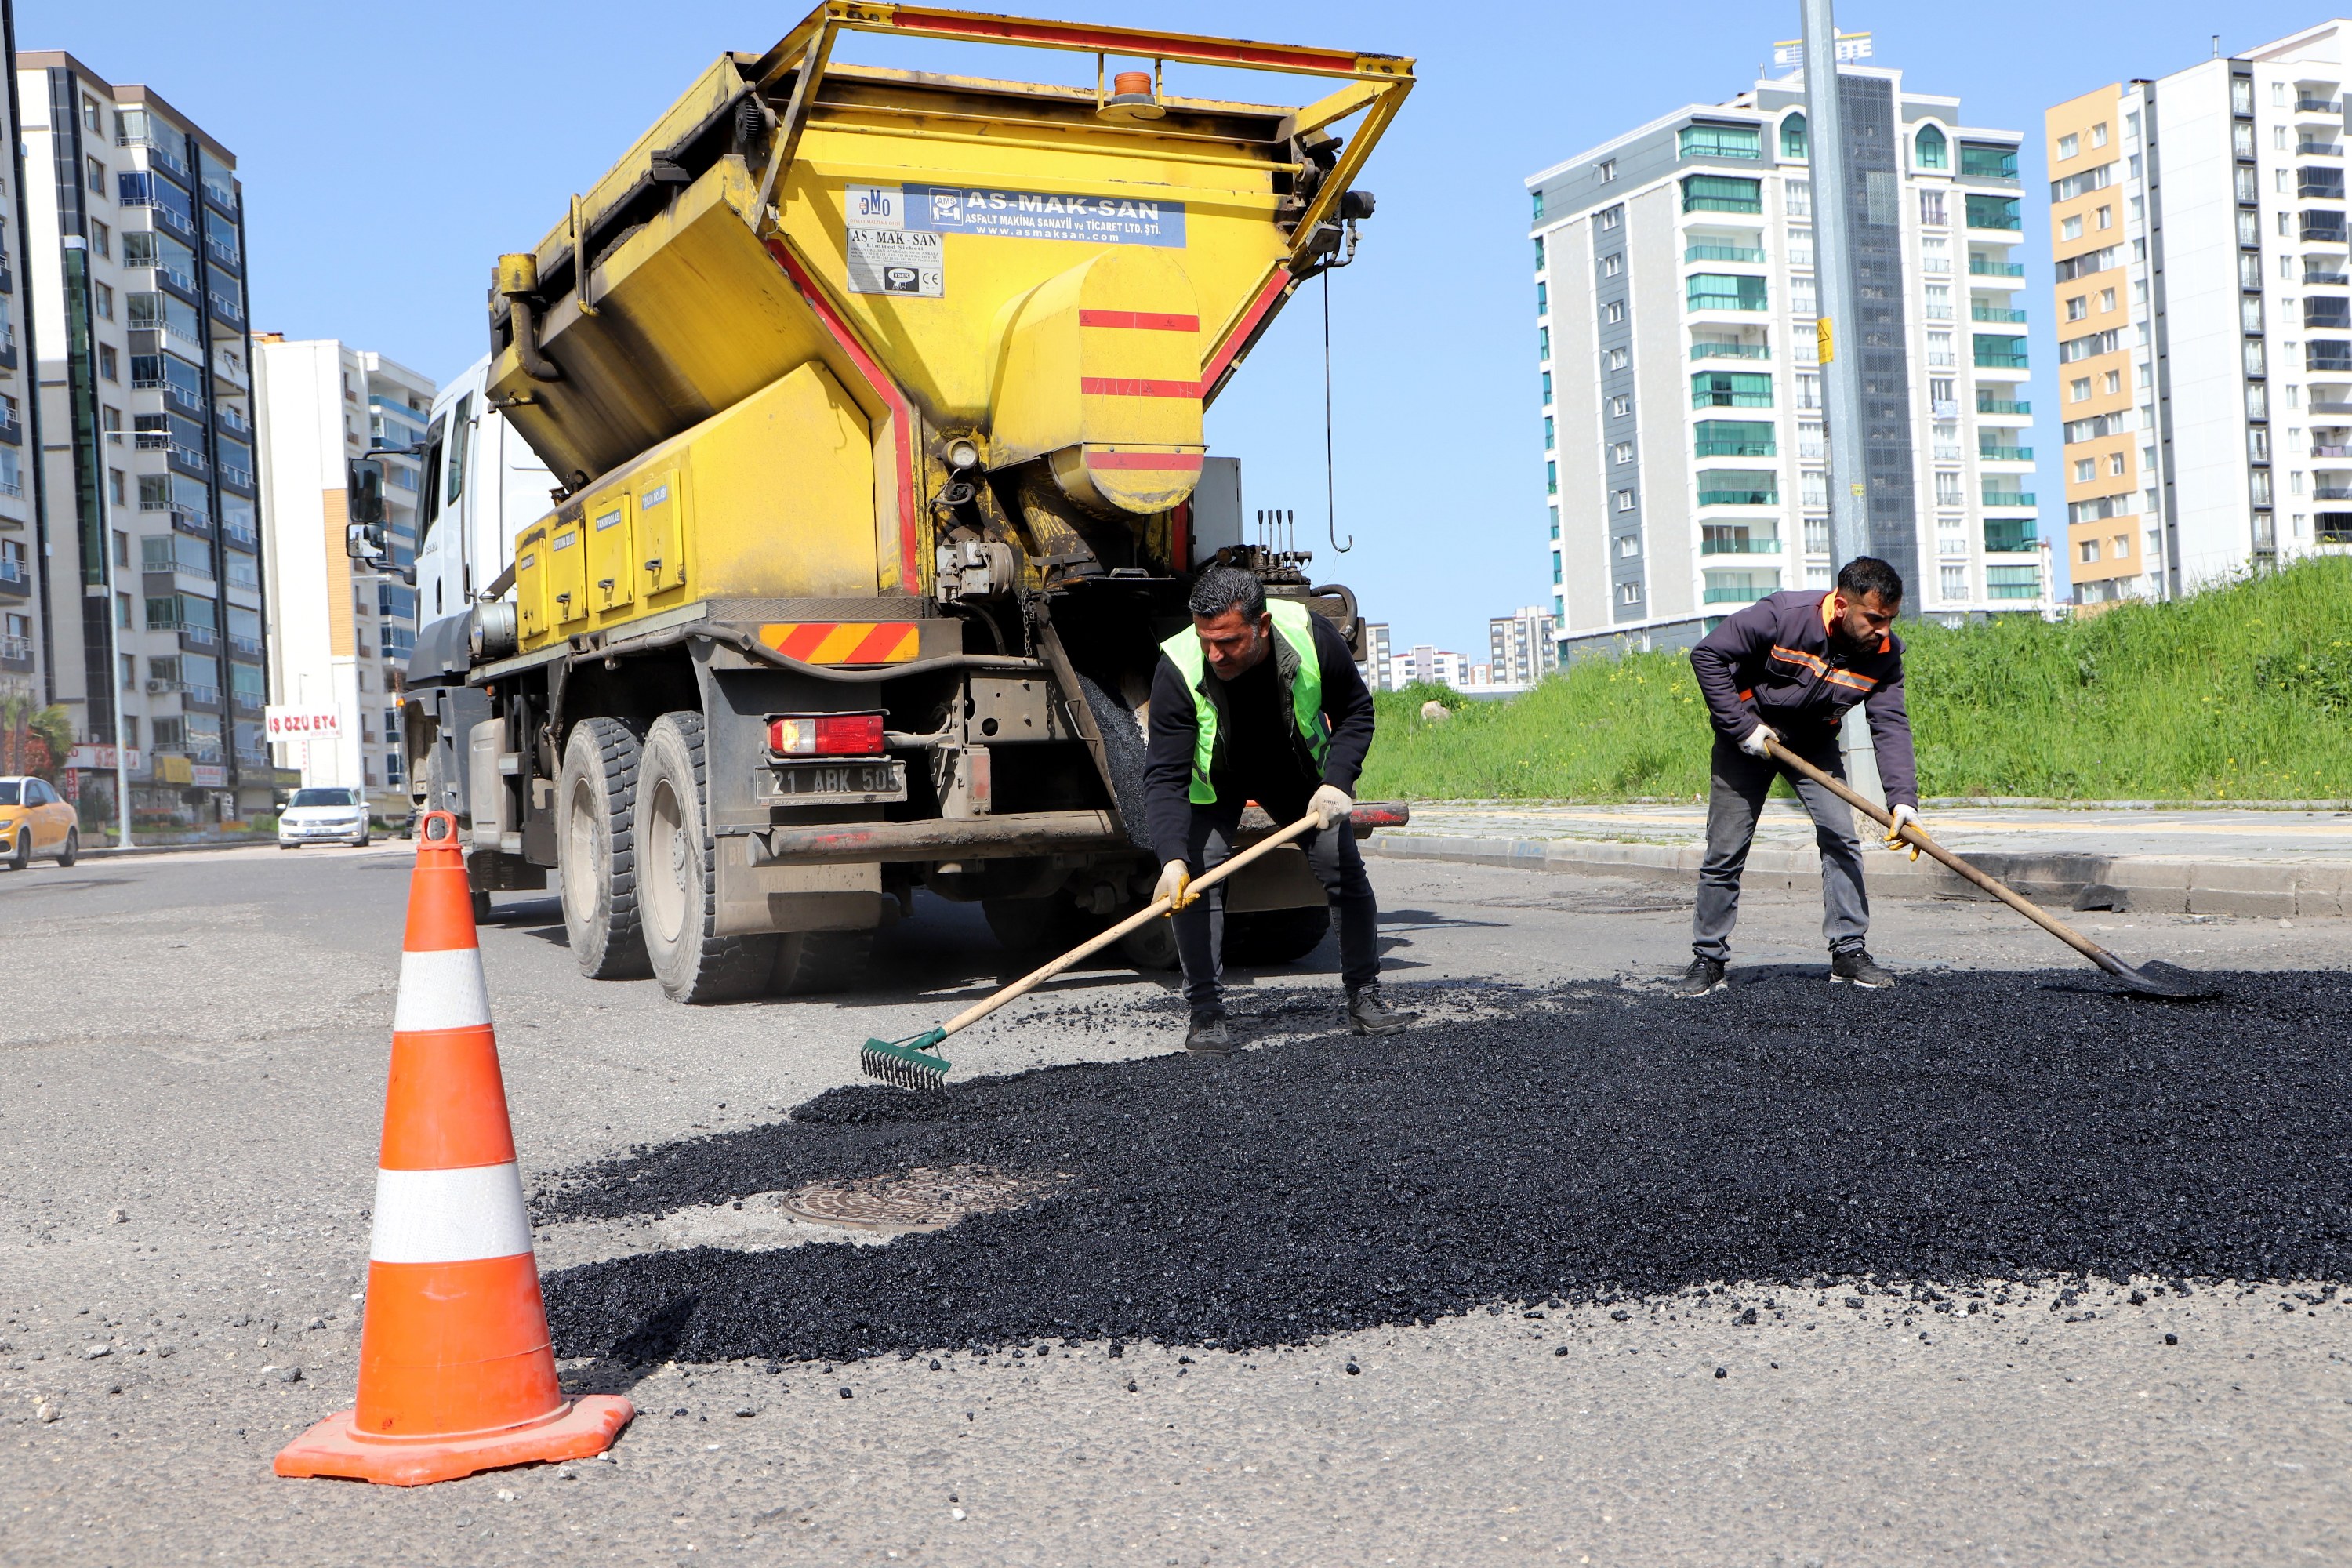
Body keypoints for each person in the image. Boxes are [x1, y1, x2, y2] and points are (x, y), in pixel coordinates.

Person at [1142, 566, 1410, 1051]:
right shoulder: (1178, 665)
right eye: (1206, 640)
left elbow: (1356, 710)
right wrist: (1172, 859)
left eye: (1228, 641)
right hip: (1218, 778)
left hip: (1292, 770)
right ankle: (1205, 1013)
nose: (1214, 654)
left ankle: (1365, 997)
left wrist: (1337, 782)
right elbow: (1165, 775)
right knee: (1196, 880)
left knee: (1341, 865)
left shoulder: (1312, 637)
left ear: (1261, 626)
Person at [1676, 556, 1924, 995]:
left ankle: (1848, 952)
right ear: (1842, 606)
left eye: (1890, 619)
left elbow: (1890, 724)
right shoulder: (1783, 616)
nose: (1884, 630)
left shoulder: (1884, 655)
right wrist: (1742, 728)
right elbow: (1707, 655)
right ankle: (1708, 958)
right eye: (1874, 618)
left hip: (1813, 744)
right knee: (1726, 850)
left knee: (1841, 837)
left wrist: (1903, 800)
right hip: (1748, 738)